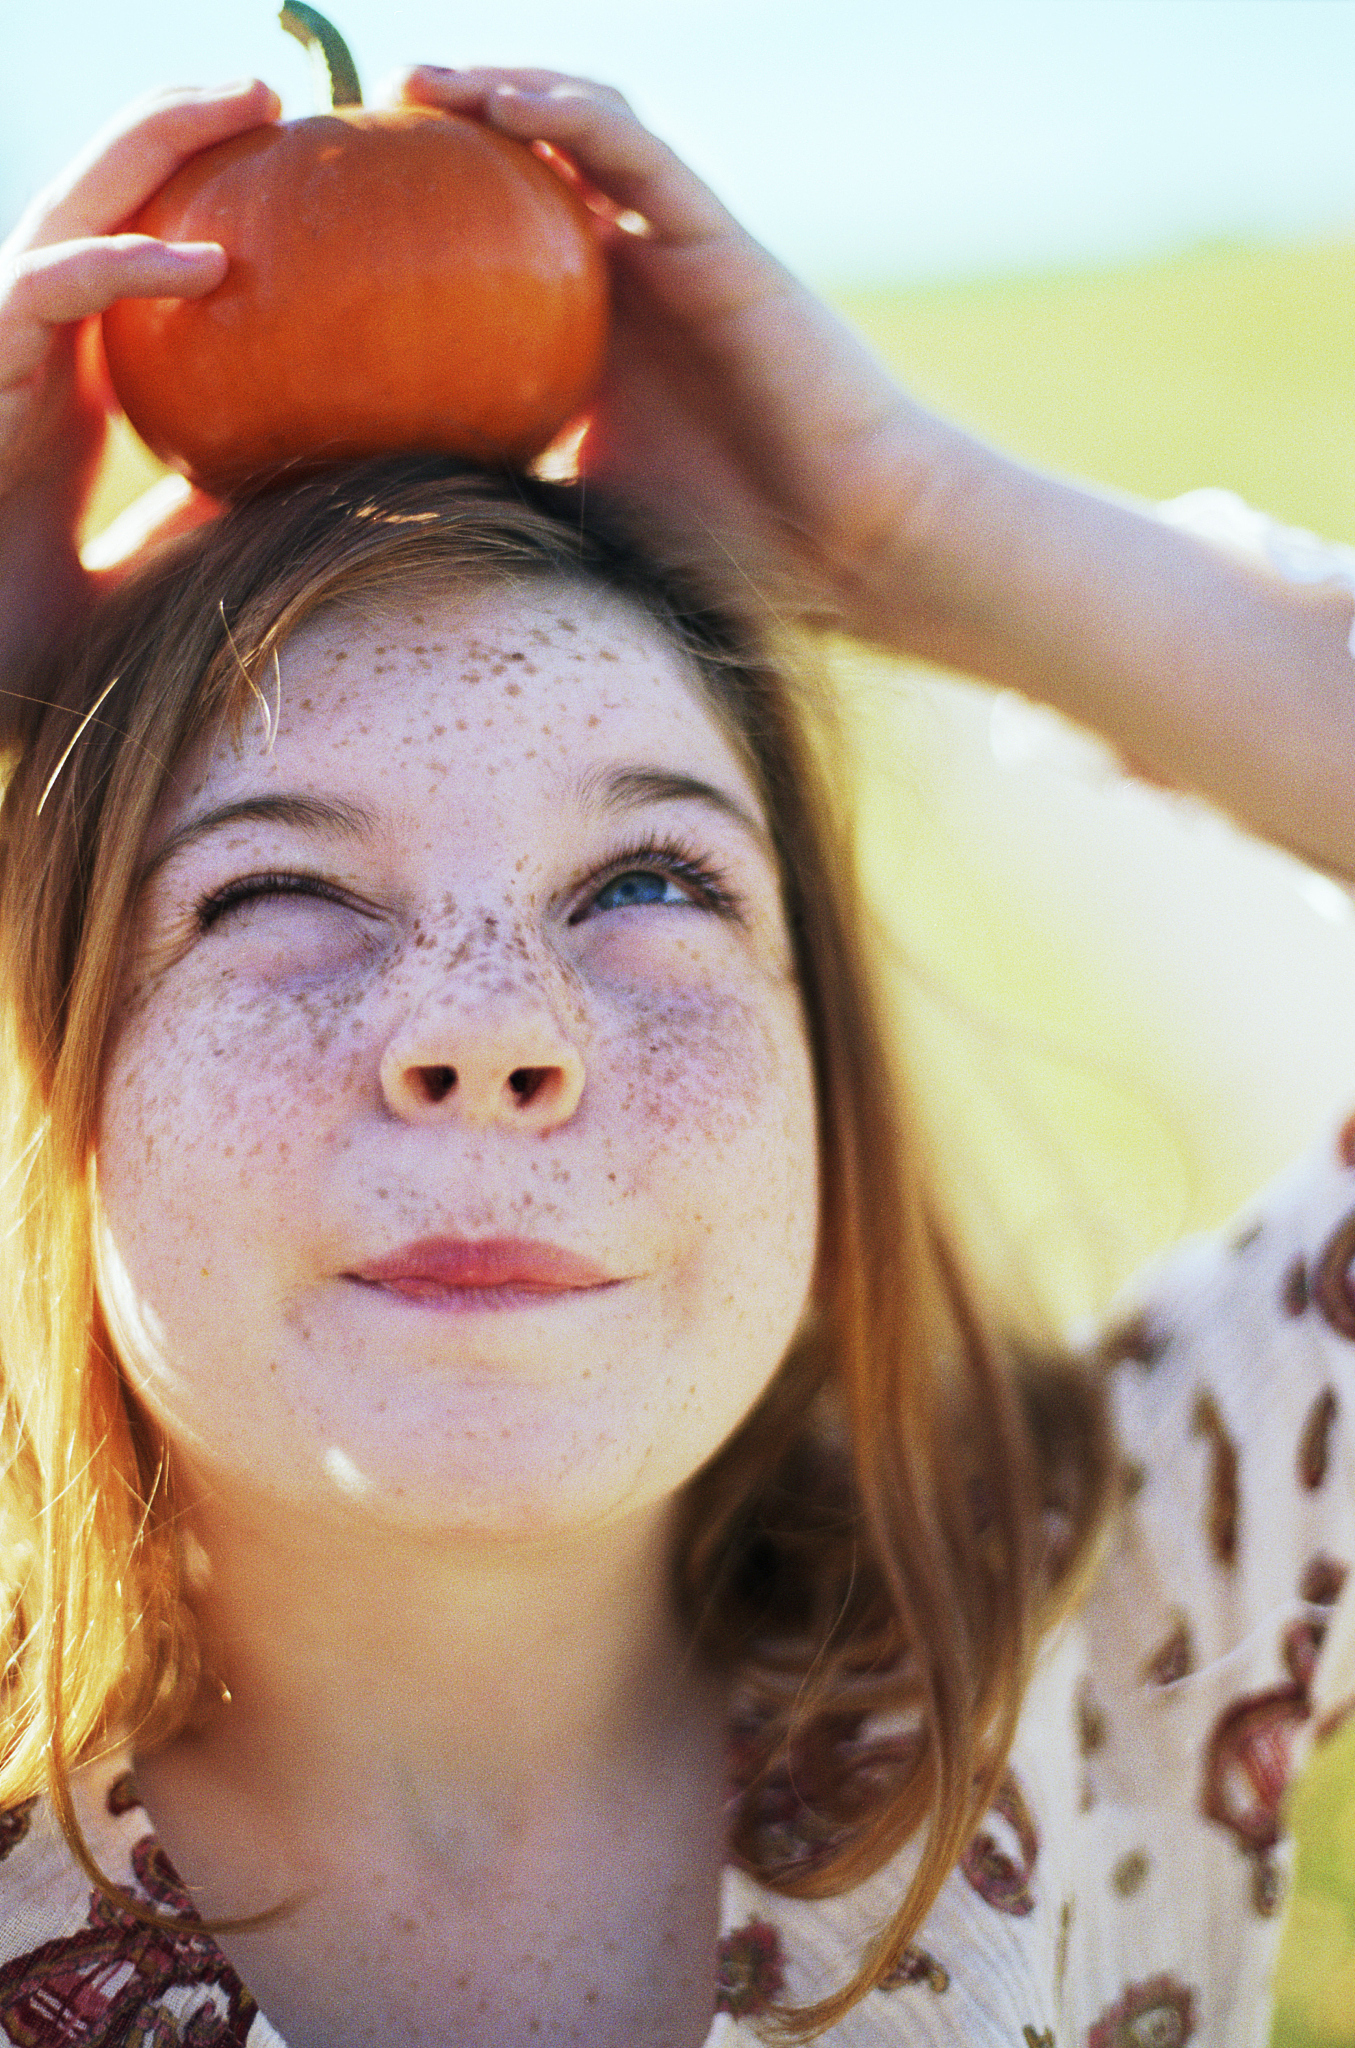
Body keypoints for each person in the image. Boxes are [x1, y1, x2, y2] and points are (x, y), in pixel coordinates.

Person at [0, 64, 1354, 2048]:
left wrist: (908, 527)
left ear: (821, 1061)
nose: (486, 1031)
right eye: (276, 892)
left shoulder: (1120, 1595)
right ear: (66, 1053)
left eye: (645, 879)